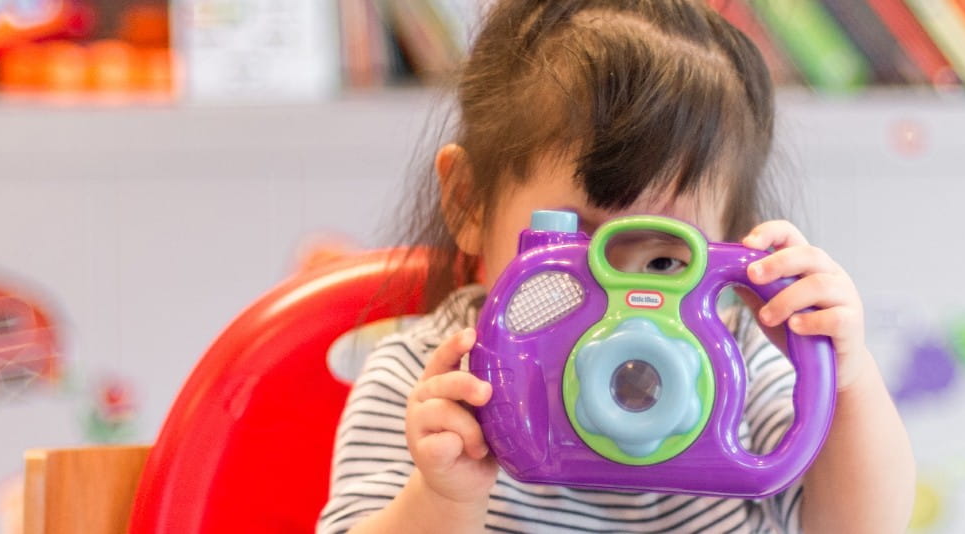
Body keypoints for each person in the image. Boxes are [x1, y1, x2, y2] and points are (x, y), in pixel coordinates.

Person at [320, 1, 914, 531]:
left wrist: (846, 377)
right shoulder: (429, 383)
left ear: (733, 250)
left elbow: (858, 527)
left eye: (666, 260)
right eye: (579, 247)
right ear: (469, 202)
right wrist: (443, 499)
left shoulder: (744, 365)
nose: (622, 306)